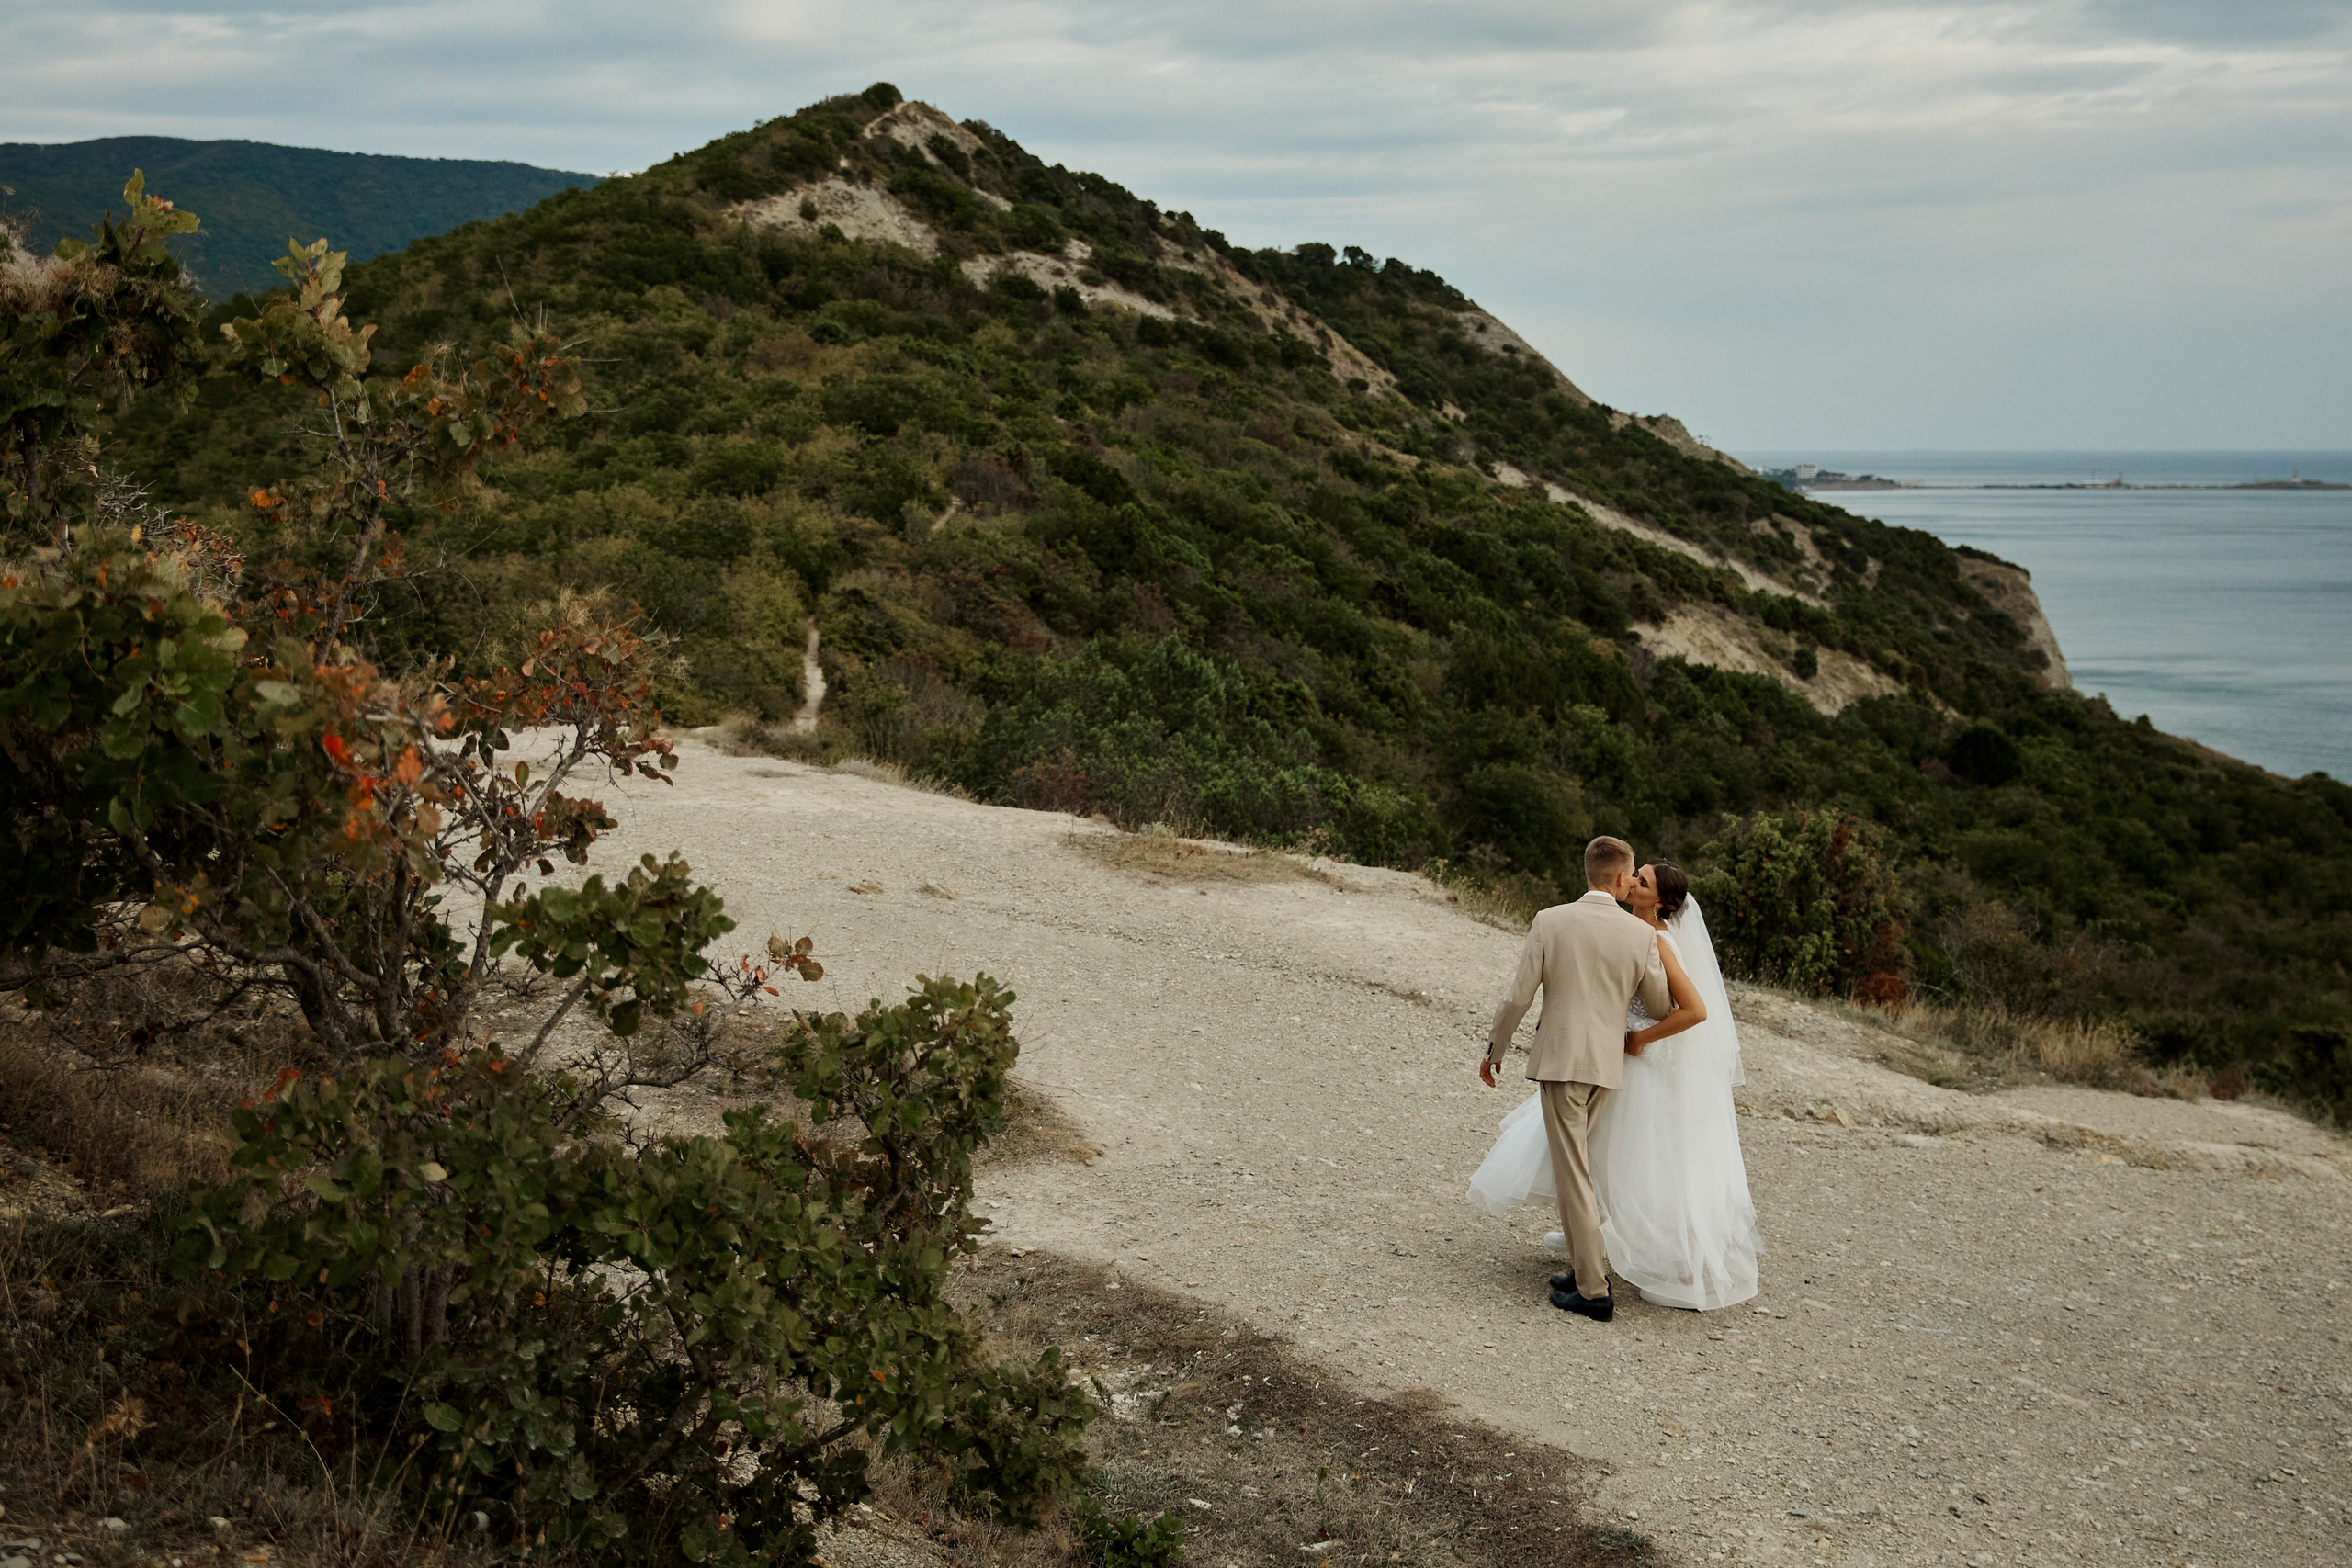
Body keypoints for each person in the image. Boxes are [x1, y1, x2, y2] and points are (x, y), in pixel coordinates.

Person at [1473, 835, 1672, 1323]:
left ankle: (1594, 1290)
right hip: (1609, 1064)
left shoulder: (1551, 920)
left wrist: (1495, 1048)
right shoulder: (1640, 935)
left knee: (1574, 1174)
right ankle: (1586, 1268)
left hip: (1562, 1063)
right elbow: (1662, 1006)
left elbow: (1518, 995)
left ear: (1588, 872)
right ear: (1623, 878)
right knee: (1578, 1169)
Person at [1589, 862, 1762, 1310]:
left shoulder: (1659, 940)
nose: (1632, 882)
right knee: (1604, 1151)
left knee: (1646, 1164)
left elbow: (1695, 1011)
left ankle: (1681, 1269)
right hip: (1620, 1057)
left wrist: (1640, 1039)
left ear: (1662, 902)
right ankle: (1593, 1231)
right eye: (1635, 874)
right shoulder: (1631, 927)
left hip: (1642, 1065)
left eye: (1642, 881)